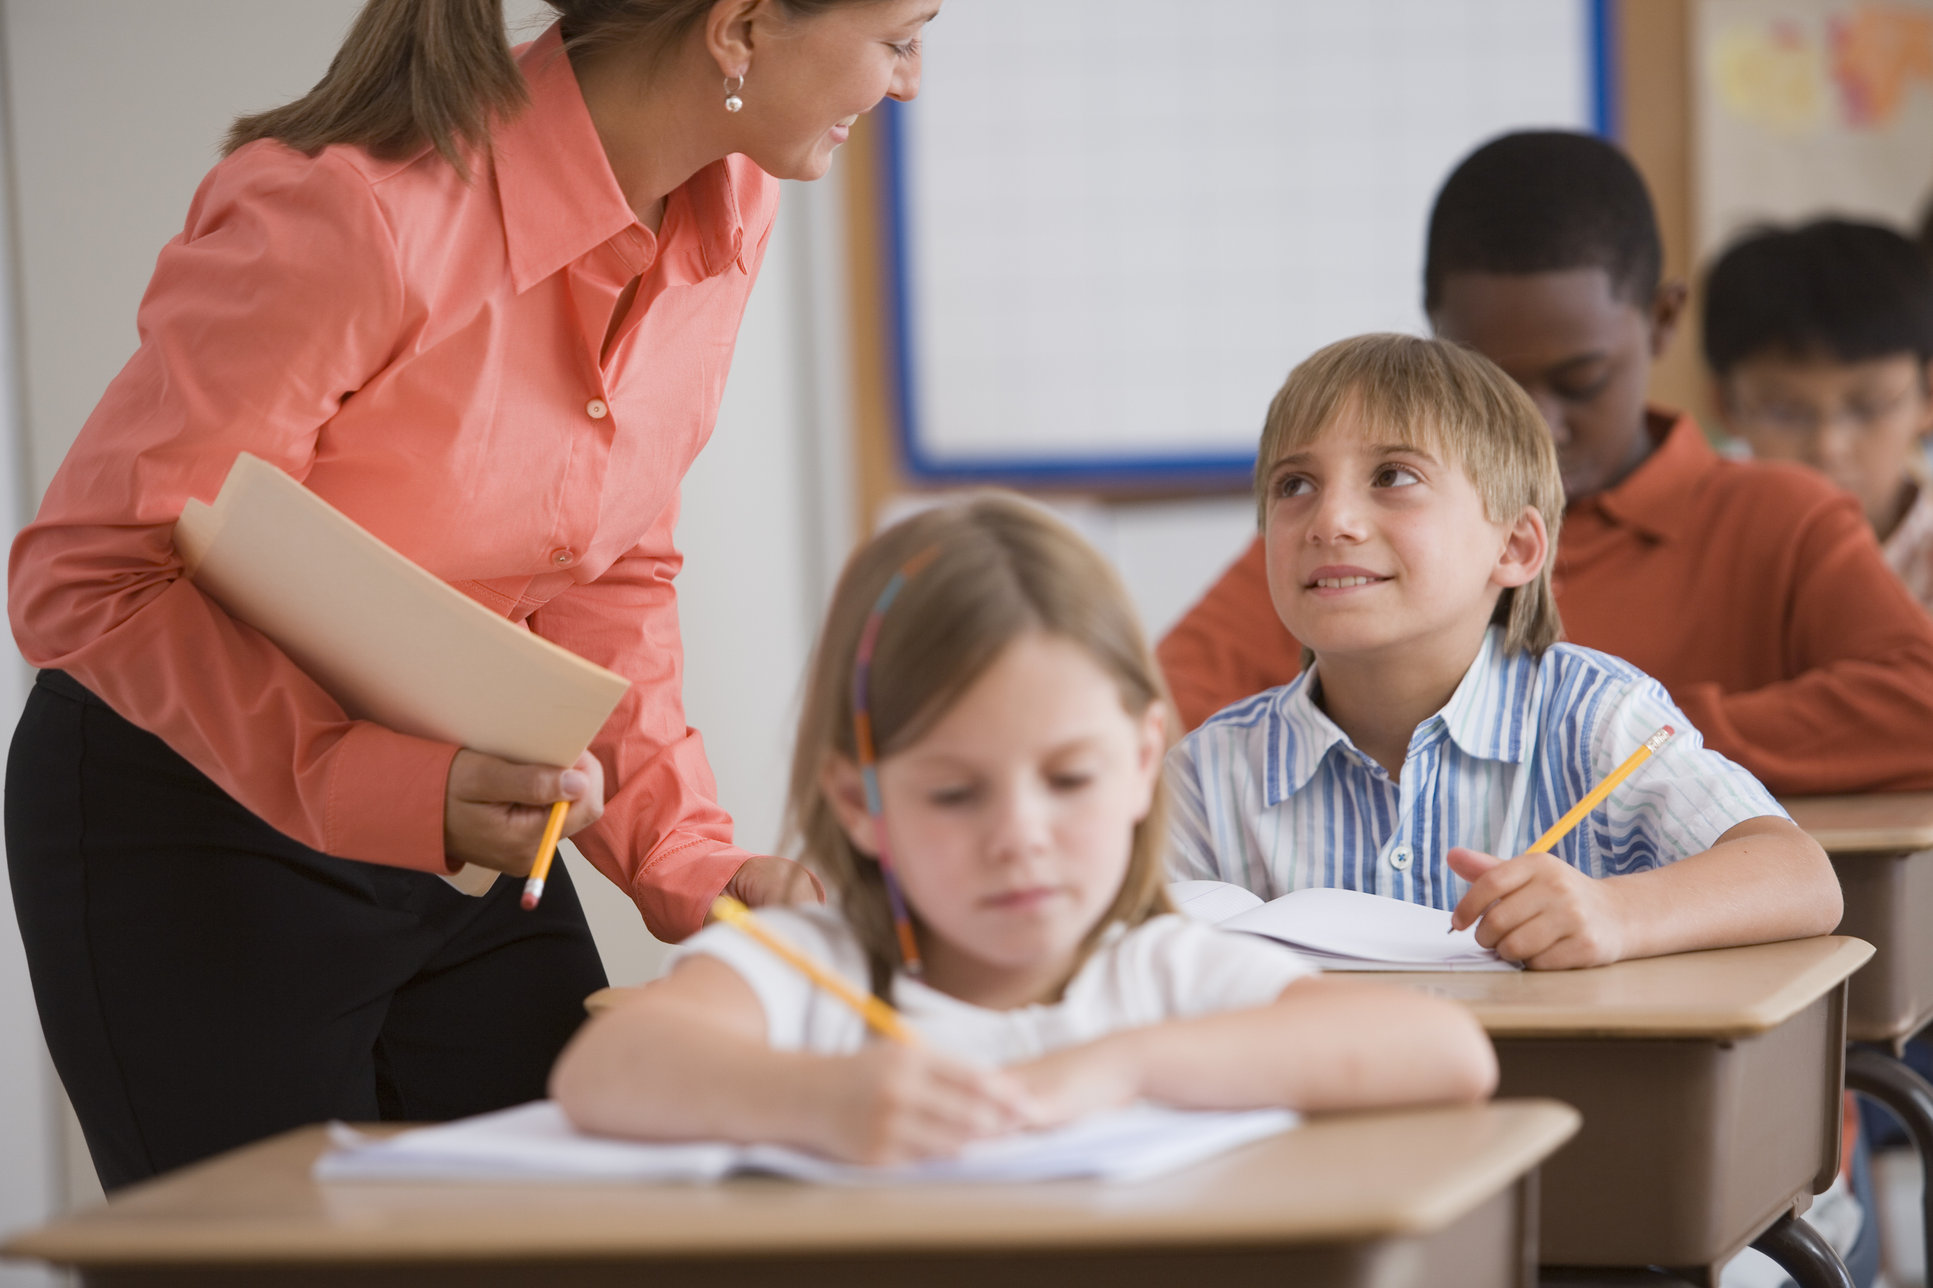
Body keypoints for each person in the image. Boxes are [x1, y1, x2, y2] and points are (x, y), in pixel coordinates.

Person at [5, 0, 938, 1190]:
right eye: (900, 37)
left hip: (465, 814)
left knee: (563, 1234)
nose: (908, 82)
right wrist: (393, 786)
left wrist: (695, 863)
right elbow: (87, 577)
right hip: (192, 819)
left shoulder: (726, 200)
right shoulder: (357, 214)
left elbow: (608, 573)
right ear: (742, 28)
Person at [550, 495, 1497, 1159]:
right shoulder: (810, 969)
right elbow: (605, 1070)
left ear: (1137, 765)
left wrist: (1119, 1067)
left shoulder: (1157, 970)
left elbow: (1448, 1056)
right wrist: (823, 1102)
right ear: (858, 803)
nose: (1021, 836)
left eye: (1069, 779)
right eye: (957, 795)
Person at [1156, 132, 1933, 798]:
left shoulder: (1777, 518)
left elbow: (1916, 704)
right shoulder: (1354, 536)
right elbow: (1153, 711)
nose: (1535, 421)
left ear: (1662, 321)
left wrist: (1597, 734)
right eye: (1490, 376)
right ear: (1437, 339)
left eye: (1580, 380)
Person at [1166, 333, 1841, 971]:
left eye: (1393, 476)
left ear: (1514, 548)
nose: (1329, 520)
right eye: (1293, 485)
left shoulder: (1597, 719)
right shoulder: (1208, 771)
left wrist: (1616, 912)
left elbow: (1801, 878)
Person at [1702, 218, 1933, 609]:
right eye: (1784, 412)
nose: (1828, 446)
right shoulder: (1696, 557)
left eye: (1869, 406)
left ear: (1928, 397)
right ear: (1725, 405)